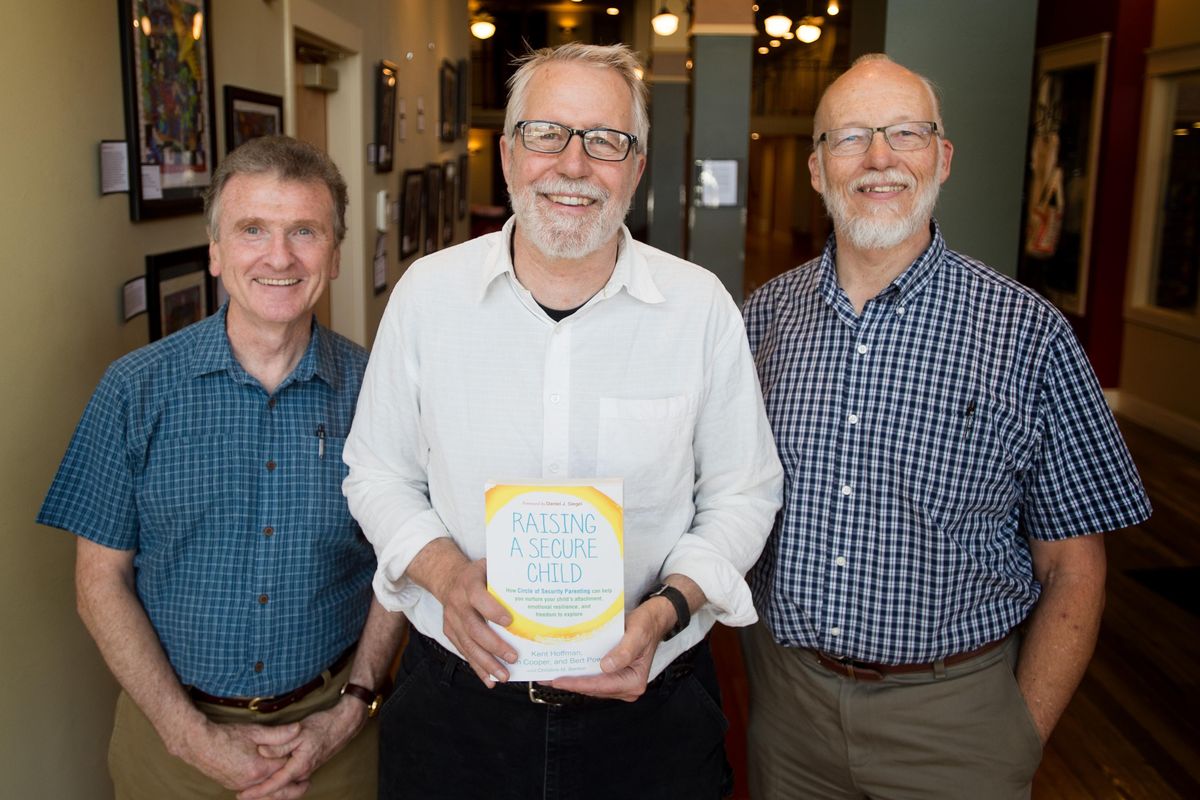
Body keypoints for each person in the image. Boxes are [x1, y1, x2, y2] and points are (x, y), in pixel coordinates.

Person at [342, 42, 783, 800]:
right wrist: (447, 577)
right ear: (509, 155)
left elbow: (744, 494)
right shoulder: (428, 298)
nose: (573, 165)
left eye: (605, 140)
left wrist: (667, 610)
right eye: (547, 133)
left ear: (635, 168)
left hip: (650, 709)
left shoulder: (698, 307)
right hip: (457, 708)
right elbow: (377, 473)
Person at [741, 54, 1152, 800]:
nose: (880, 159)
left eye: (906, 133)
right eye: (851, 137)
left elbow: (1075, 567)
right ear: (815, 168)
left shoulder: (1029, 335)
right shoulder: (762, 319)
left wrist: (1015, 738)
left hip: (956, 724)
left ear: (943, 156)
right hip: (788, 712)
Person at [38, 136, 406, 800]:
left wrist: (354, 705)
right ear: (215, 252)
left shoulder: (378, 392)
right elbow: (99, 584)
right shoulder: (133, 391)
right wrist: (189, 737)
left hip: (336, 739)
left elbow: (399, 564)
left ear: (336, 252)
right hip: (168, 743)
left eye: (304, 231)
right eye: (252, 231)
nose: (279, 256)